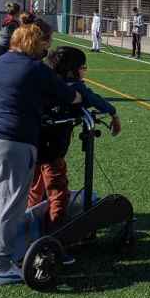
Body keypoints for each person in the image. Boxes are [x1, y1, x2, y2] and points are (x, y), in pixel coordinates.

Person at [0, 16, 82, 286]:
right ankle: (2, 266)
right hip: (13, 143)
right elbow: (68, 96)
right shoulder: (36, 69)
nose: (49, 48)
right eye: (48, 43)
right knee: (8, 207)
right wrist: (79, 96)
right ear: (38, 43)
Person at [28, 46, 121, 235]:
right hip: (53, 150)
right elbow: (95, 99)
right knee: (58, 191)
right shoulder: (73, 87)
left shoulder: (43, 82)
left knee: (35, 187)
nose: (84, 70)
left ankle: (28, 222)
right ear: (72, 70)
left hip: (33, 145)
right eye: (83, 66)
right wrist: (113, 114)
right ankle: (57, 233)